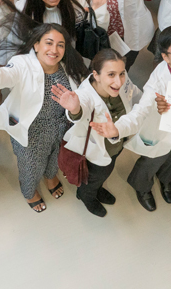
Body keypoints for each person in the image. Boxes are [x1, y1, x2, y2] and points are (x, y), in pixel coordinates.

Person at [0, 23, 89, 211]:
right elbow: (3, 76)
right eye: (49, 43)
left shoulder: (70, 66)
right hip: (31, 132)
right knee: (31, 166)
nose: (54, 50)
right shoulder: (22, 63)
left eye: (60, 45)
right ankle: (29, 192)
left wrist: (75, 111)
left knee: (55, 157)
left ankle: (50, 176)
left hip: (61, 128)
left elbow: (82, 101)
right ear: (36, 45)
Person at [96, 26, 171, 210]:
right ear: (165, 57)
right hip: (159, 132)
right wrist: (118, 128)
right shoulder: (157, 83)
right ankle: (141, 186)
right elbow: (139, 112)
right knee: (154, 159)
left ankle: (165, 178)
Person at [50, 49, 135, 217]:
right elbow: (79, 109)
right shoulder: (86, 94)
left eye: (122, 73)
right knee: (94, 175)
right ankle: (86, 196)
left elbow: (135, 95)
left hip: (117, 143)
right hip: (96, 151)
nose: (118, 82)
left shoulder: (121, 83)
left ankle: (96, 188)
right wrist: (74, 109)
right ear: (95, 75)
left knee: (105, 172)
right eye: (111, 74)